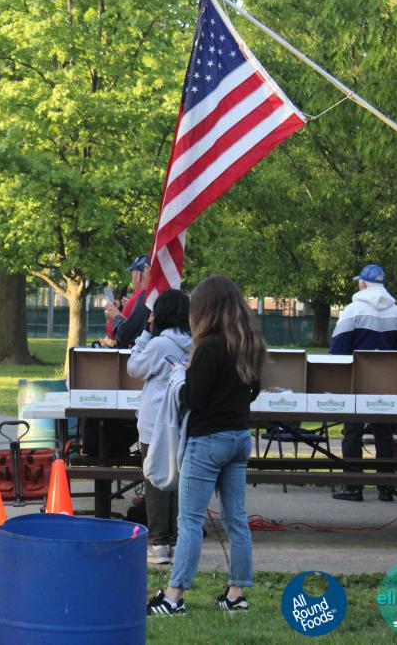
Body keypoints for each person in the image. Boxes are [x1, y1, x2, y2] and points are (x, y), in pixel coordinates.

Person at [147, 275, 264, 616]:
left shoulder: (209, 347)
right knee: (236, 519)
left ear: (206, 308)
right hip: (239, 437)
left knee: (189, 521)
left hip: (207, 440)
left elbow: (193, 399)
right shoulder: (247, 343)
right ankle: (236, 594)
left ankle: (174, 596)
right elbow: (253, 390)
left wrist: (181, 376)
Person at [330, 264, 397, 502]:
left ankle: (353, 487)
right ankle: (386, 488)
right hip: (387, 384)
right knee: (384, 434)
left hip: (356, 381)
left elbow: (338, 349)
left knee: (352, 432)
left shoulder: (353, 310)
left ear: (364, 284)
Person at [127, 289, 192, 566]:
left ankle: (158, 543)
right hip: (182, 421)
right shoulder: (195, 342)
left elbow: (134, 368)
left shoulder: (159, 344)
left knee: (155, 481)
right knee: (179, 481)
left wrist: (144, 333)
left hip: (155, 421)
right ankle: (176, 540)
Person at [104, 255, 152, 348]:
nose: (131, 277)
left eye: (132, 272)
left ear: (139, 275)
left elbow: (121, 334)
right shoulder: (141, 298)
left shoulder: (141, 297)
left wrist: (111, 317)